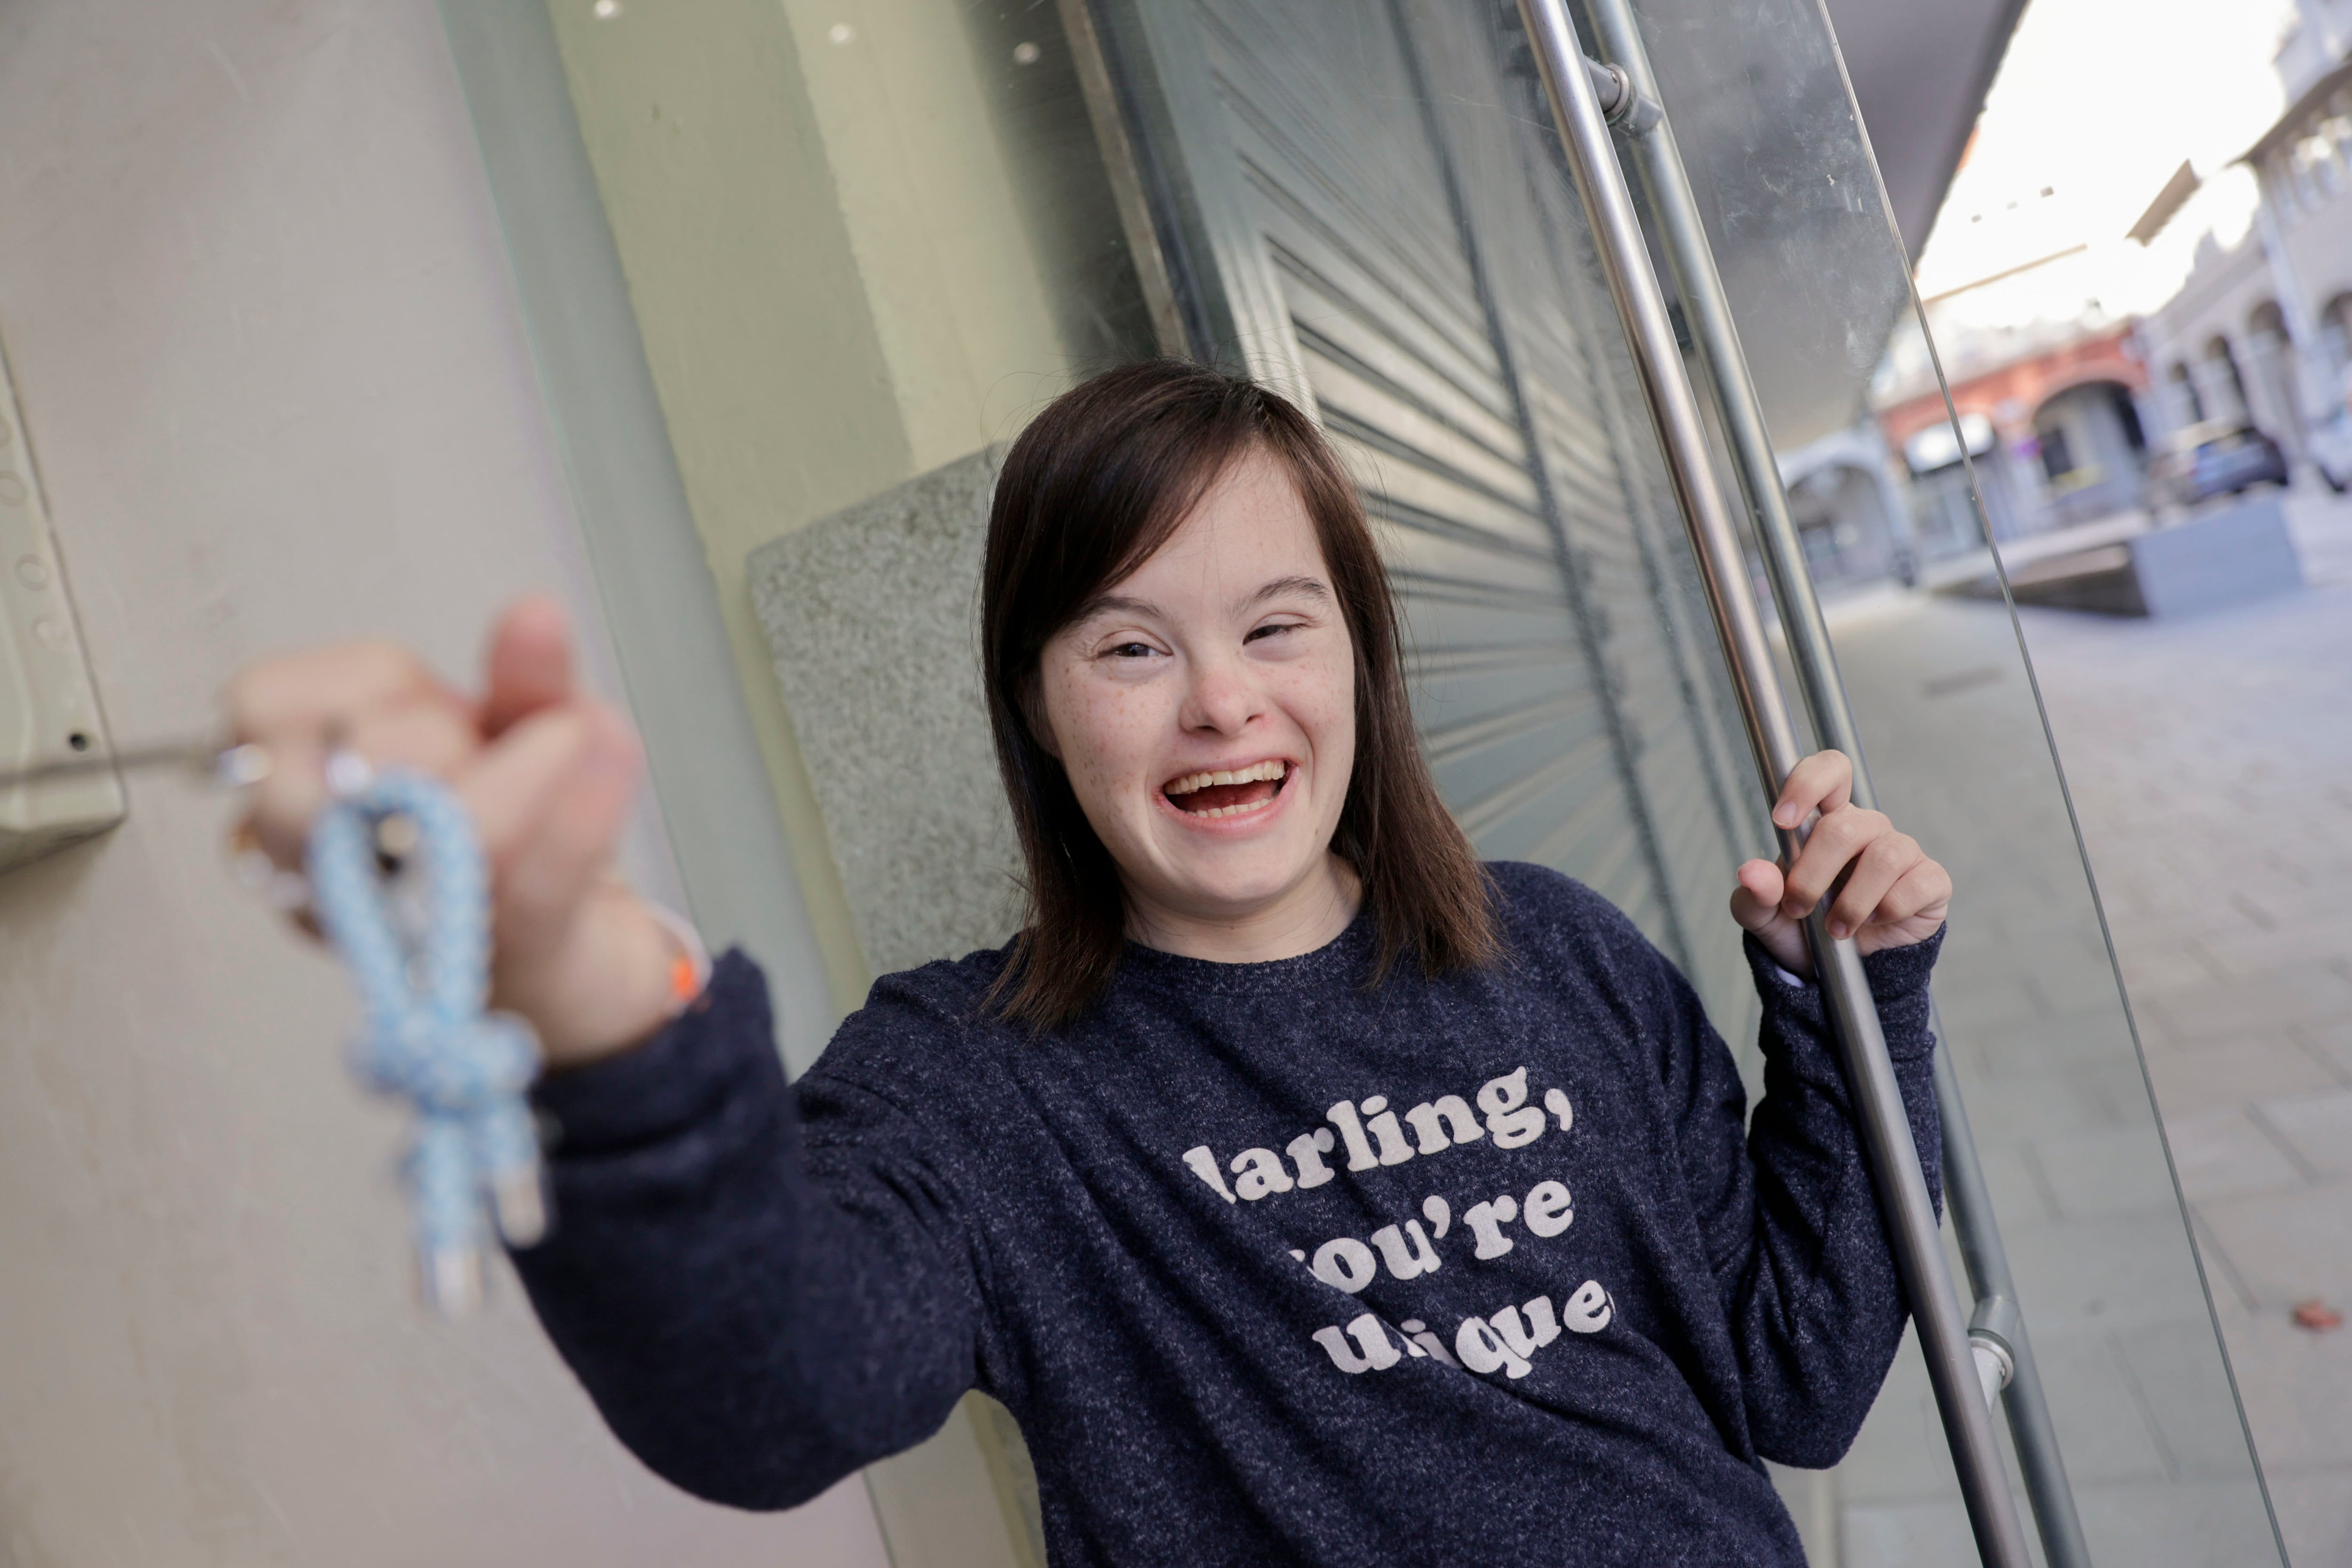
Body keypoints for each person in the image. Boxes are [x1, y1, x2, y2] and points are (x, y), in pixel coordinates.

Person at [230, 360, 1952, 1566]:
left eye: (1279, 624)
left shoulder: (1554, 951)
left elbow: (1800, 1376)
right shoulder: (973, 1087)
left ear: (1361, 657)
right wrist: (589, 1010)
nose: (1222, 699)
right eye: (1131, 645)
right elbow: (771, 1398)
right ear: (1041, 714)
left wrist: (1861, 1006)